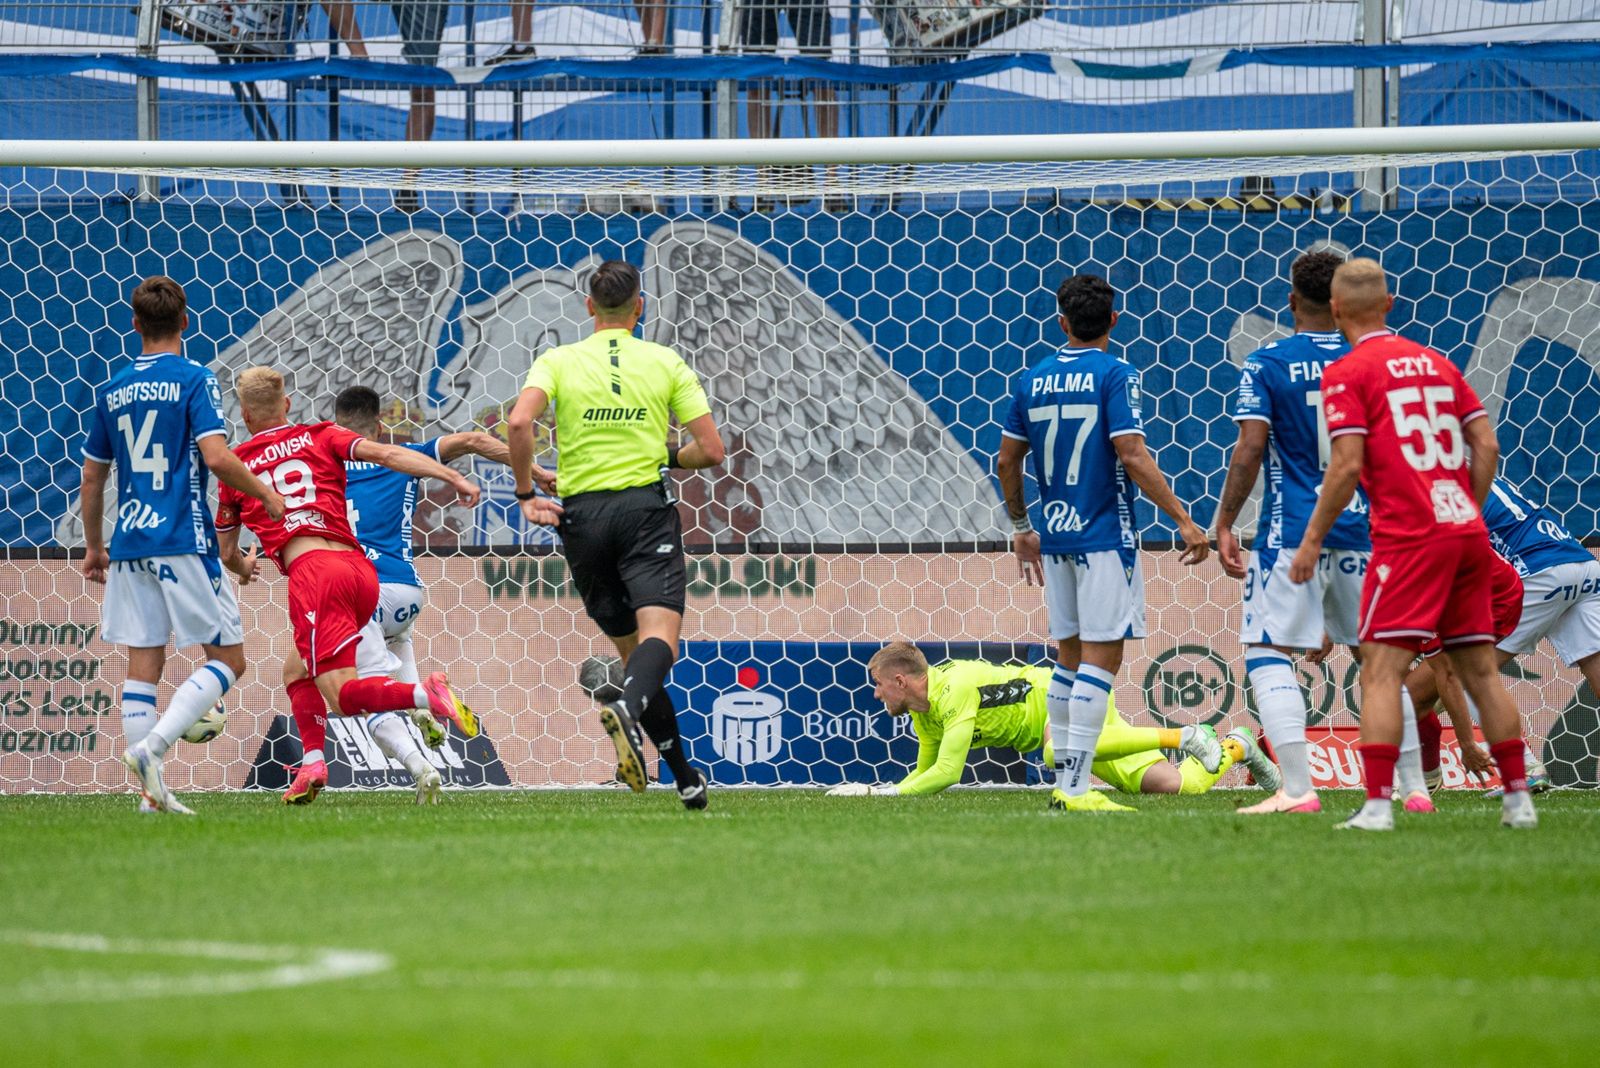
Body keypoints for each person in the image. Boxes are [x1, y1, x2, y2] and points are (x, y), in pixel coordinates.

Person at [1289, 257, 1536, 831]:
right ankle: (1519, 799)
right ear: (1390, 305)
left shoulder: (1348, 372)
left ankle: (1378, 806)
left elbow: (1346, 465)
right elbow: (1487, 445)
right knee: (1481, 672)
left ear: (1336, 310)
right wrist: (1466, 509)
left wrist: (1312, 539)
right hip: (1466, 534)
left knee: (1380, 671)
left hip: (1409, 539)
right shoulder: (1437, 362)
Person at [507, 260, 725, 810]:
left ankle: (684, 777)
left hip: (581, 520)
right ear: (639, 308)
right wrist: (665, 454)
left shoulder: (558, 359)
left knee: (634, 659)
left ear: (589, 307)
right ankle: (628, 707)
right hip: (643, 512)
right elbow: (711, 451)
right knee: (659, 642)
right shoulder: (664, 361)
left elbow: (518, 423)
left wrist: (526, 494)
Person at [215, 367, 483, 805]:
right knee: (296, 671)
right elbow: (389, 455)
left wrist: (243, 568)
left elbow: (227, 551)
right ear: (287, 405)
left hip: (316, 576)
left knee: (342, 697)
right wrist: (452, 477)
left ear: (244, 415)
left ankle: (425, 695)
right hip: (360, 572)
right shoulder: (321, 435)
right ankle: (313, 763)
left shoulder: (235, 467)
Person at [996, 273, 1211, 814]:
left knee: (1068, 659)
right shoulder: (1117, 373)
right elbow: (1131, 453)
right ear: (1114, 319)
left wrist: (1021, 526)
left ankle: (1065, 785)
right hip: (1104, 535)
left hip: (1056, 537)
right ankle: (1075, 789)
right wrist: (1184, 519)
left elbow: (1006, 461)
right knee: (1102, 659)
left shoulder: (1031, 379)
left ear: (1062, 322)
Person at [81, 276, 287, 815]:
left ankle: (150, 797)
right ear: (186, 321)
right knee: (230, 660)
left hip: (130, 542)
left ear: (134, 324)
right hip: (183, 538)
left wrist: (95, 547)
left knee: (142, 663)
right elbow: (216, 457)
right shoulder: (196, 379)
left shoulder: (113, 390)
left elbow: (92, 478)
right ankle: (152, 747)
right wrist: (265, 492)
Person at [1215, 250, 1372, 815]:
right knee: (1379, 658)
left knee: (1266, 648)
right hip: (1364, 528)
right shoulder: (1367, 361)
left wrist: (1225, 521)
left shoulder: (1267, 363)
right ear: (1340, 302)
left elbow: (1250, 449)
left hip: (1291, 530)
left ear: (1291, 301)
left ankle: (1299, 789)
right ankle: (1411, 788)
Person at [825, 643, 1280, 799]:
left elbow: (948, 773)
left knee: (1055, 752)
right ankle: (1238, 744)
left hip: (1062, 698)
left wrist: (880, 794)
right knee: (1175, 786)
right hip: (1068, 719)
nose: (875, 693)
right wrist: (885, 792)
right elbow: (925, 772)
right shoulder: (923, 714)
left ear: (900, 681)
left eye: (878, 685)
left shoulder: (954, 687)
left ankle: (1184, 735)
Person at [1410, 476, 1599, 796]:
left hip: (1536, 570)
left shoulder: (1434, 487)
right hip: (1582, 565)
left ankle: (1523, 768)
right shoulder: (1472, 472)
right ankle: (1428, 777)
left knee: (1464, 673)